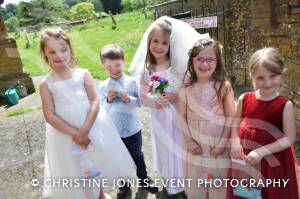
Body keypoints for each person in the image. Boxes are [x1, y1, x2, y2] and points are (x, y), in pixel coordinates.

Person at [39, 27, 136, 199]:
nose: (59, 55)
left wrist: (84, 131)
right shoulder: (46, 83)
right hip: (65, 134)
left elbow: (95, 101)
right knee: (76, 166)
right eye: (52, 51)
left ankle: (99, 194)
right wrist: (76, 134)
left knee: (94, 161)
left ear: (70, 49)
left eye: (63, 49)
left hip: (91, 125)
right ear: (44, 53)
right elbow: (50, 115)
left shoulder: (83, 74)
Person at [129, 16, 209, 198]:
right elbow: (142, 97)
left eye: (164, 43)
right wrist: (153, 102)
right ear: (149, 42)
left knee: (180, 146)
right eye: (155, 41)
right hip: (159, 117)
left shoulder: (176, 66)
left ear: (170, 45)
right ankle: (170, 182)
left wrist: (174, 95)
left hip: (177, 114)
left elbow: (186, 87)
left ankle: (184, 180)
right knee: (165, 148)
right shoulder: (146, 70)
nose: (159, 46)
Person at [229, 47, 299, 199]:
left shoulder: (284, 105)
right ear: (252, 76)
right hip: (246, 159)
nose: (267, 83)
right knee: (245, 193)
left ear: (281, 74)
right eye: (261, 78)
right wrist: (234, 142)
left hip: (273, 163)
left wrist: (261, 151)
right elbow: (234, 125)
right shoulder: (245, 99)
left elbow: (289, 138)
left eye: (273, 76)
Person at [98, 44, 158, 199]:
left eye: (117, 65)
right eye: (109, 67)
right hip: (114, 131)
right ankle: (123, 184)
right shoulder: (103, 86)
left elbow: (140, 102)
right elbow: (101, 109)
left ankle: (144, 179)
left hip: (132, 128)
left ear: (123, 62)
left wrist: (128, 99)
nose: (114, 69)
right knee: (119, 158)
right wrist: (109, 99)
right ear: (104, 67)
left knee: (137, 155)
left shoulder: (132, 82)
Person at [177, 38, 235, 199]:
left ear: (217, 62)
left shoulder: (223, 86)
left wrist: (223, 142)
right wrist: (189, 141)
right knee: (197, 176)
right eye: (199, 59)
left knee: (218, 177)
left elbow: (231, 116)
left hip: (217, 139)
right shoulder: (186, 87)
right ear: (192, 61)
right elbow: (181, 116)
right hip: (195, 139)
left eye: (210, 59)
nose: (204, 64)